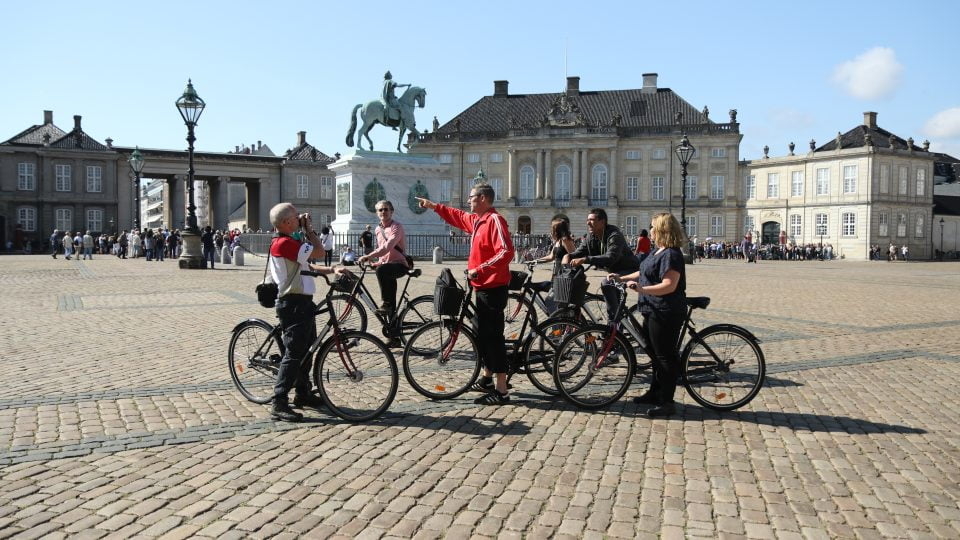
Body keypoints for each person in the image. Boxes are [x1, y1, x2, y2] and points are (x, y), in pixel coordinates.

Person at [417, 184, 515, 405]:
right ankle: (487, 379)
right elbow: (457, 216)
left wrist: (480, 269)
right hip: (481, 287)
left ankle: (502, 390)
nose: (468, 201)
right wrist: (434, 206)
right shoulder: (478, 220)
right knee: (482, 333)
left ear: (482, 198)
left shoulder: (494, 220)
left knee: (493, 336)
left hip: (492, 287)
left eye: (471, 197)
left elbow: (506, 251)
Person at [267, 202, 350, 422]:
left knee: (308, 349)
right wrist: (309, 229)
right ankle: (279, 401)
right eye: (295, 217)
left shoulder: (291, 242)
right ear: (286, 223)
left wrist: (332, 269)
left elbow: (309, 266)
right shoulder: (283, 243)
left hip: (303, 302)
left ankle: (302, 393)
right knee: (294, 353)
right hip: (292, 304)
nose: (300, 219)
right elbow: (320, 251)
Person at [609, 212, 687, 418]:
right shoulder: (657, 252)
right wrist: (621, 277)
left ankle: (667, 401)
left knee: (665, 357)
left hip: (666, 311)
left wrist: (642, 290)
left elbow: (669, 285)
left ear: (662, 229)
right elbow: (643, 272)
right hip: (652, 309)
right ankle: (655, 392)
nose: (649, 230)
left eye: (653, 227)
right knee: (654, 354)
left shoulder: (671, 254)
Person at [563, 208, 640, 320]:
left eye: (591, 220)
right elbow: (579, 252)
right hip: (613, 271)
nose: (588, 222)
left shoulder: (614, 235)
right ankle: (617, 325)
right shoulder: (591, 236)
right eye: (587, 219)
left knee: (607, 283)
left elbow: (610, 257)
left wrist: (585, 259)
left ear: (602, 221)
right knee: (612, 293)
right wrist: (568, 256)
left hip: (629, 270)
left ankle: (614, 322)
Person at [358, 200, 409, 348]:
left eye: (386, 209)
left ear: (392, 211)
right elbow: (383, 253)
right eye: (380, 210)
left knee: (383, 276)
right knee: (391, 303)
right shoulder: (377, 229)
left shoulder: (396, 227)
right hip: (387, 266)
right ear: (377, 213)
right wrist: (375, 263)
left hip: (399, 265)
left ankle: (385, 303)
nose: (383, 212)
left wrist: (368, 256)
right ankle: (394, 338)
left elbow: (388, 246)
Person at [533, 218, 577, 314]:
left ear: (557, 229)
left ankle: (556, 327)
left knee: (550, 302)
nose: (551, 231)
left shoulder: (565, 240)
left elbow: (574, 255)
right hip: (557, 276)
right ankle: (562, 325)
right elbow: (551, 257)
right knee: (558, 305)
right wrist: (535, 261)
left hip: (564, 276)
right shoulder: (557, 241)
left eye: (552, 228)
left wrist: (567, 261)